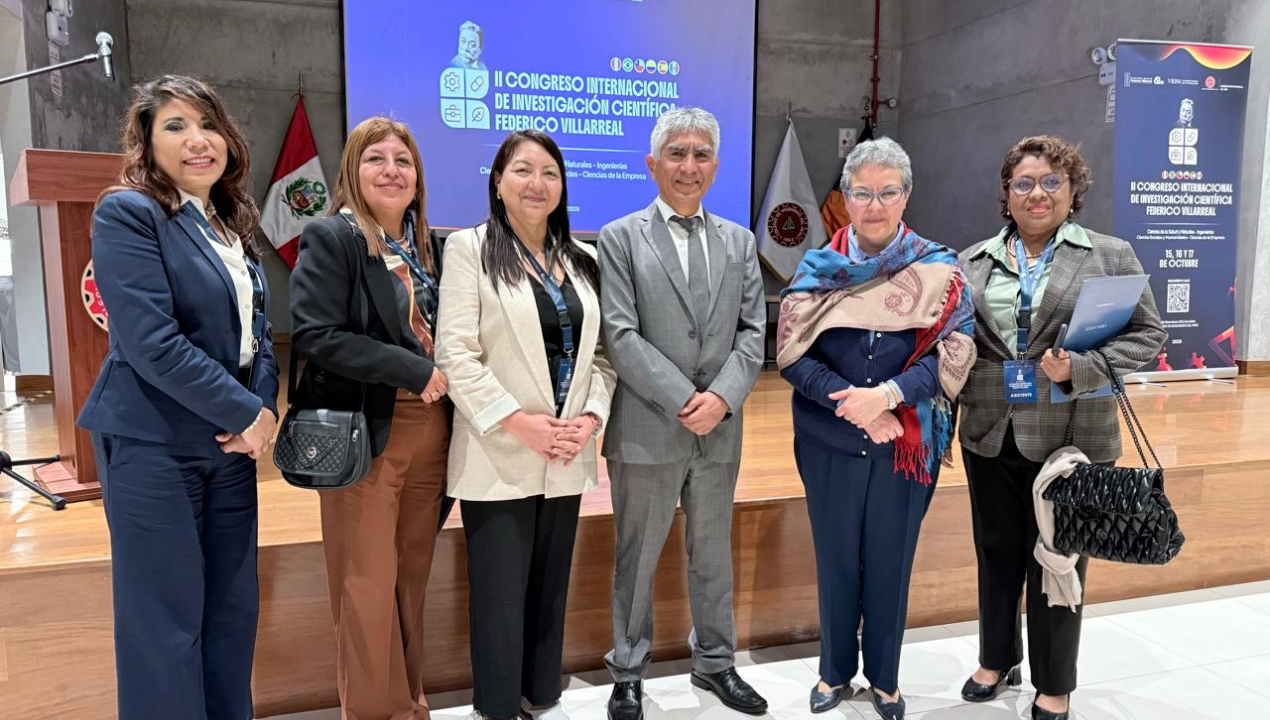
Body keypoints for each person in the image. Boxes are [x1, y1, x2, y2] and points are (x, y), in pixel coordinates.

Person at [78, 74, 279, 720]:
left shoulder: (231, 223)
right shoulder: (128, 213)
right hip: (153, 443)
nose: (198, 140)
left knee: (231, 618)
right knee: (163, 627)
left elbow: (258, 335)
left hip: (229, 449)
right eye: (176, 126)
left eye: (209, 125)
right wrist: (246, 412)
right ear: (147, 143)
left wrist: (264, 408)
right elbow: (151, 343)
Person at [957, 135, 1166, 720]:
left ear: (1074, 190)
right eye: (1024, 183)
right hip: (990, 428)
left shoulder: (1110, 255)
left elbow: (1149, 335)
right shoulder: (971, 261)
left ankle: (1055, 683)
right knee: (996, 550)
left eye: (1052, 181)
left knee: (1061, 558)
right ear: (1007, 193)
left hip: (1074, 435)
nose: (1038, 193)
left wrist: (1082, 367)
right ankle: (997, 658)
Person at [777, 138, 976, 720]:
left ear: (906, 196)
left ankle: (885, 679)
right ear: (844, 198)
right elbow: (791, 354)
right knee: (835, 559)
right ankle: (834, 672)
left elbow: (957, 351)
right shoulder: (816, 269)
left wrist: (888, 396)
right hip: (829, 440)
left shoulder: (939, 270)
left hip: (906, 444)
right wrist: (854, 405)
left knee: (891, 562)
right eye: (862, 193)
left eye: (888, 192)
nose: (874, 205)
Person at [435, 129, 615, 720]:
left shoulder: (584, 259)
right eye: (522, 170)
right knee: (500, 593)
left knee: (550, 585)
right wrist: (518, 423)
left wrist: (590, 419)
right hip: (500, 447)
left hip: (566, 449)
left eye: (550, 173)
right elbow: (456, 355)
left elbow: (602, 357)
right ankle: (496, 707)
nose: (537, 184)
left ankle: (542, 692)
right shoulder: (469, 248)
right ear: (497, 182)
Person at [599, 107, 767, 720]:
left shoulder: (740, 241)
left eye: (700, 155)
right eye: (676, 153)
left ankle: (716, 663)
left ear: (715, 166)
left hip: (719, 429)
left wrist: (720, 398)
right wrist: (683, 399)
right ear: (652, 163)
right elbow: (620, 335)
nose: (688, 166)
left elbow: (753, 332)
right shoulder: (619, 237)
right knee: (637, 555)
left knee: (713, 553)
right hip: (648, 426)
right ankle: (627, 671)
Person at [289, 116, 450, 720]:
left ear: (418, 177)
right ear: (352, 172)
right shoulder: (333, 237)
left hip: (434, 429)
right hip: (370, 428)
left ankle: (410, 705)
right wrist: (411, 369)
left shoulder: (430, 247)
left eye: (403, 161)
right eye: (375, 159)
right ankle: (370, 712)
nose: (391, 170)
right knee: (366, 586)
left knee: (410, 581)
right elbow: (316, 334)